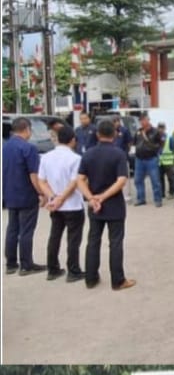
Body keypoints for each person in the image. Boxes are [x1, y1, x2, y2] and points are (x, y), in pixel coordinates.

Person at [76, 118, 135, 291]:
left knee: (93, 240)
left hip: (95, 205)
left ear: (97, 134)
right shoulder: (118, 154)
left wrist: (91, 197)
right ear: (115, 134)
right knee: (115, 242)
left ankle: (90, 278)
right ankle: (118, 280)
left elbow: (80, 180)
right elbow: (121, 180)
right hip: (114, 204)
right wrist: (103, 197)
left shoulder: (88, 154)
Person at [37, 124, 86, 282]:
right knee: (73, 239)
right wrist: (61, 198)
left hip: (55, 205)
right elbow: (74, 182)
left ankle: (52, 269)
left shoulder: (46, 157)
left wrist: (52, 197)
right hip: (72, 205)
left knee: (55, 236)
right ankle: (73, 271)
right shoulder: (76, 158)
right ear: (72, 140)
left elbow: (41, 181)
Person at [3, 116, 46, 276]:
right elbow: (33, 175)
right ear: (27, 129)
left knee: (12, 228)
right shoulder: (29, 148)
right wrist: (41, 193)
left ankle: (11, 263)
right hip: (26, 194)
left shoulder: (5, 147)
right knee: (26, 230)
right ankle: (26, 264)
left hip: (9, 193)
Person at [133, 114, 163, 207]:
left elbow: (160, 144)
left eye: (143, 120)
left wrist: (155, 151)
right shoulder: (138, 132)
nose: (142, 122)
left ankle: (158, 200)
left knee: (155, 180)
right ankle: (141, 199)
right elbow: (134, 143)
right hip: (139, 159)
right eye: (140, 120)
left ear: (148, 120)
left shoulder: (155, 132)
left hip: (151, 159)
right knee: (138, 180)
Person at [158, 122, 174, 199]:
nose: (161, 129)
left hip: (169, 162)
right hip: (160, 162)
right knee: (160, 178)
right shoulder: (156, 138)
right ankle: (162, 193)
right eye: (159, 127)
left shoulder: (170, 138)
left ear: (165, 128)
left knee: (171, 178)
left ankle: (171, 193)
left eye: (162, 127)